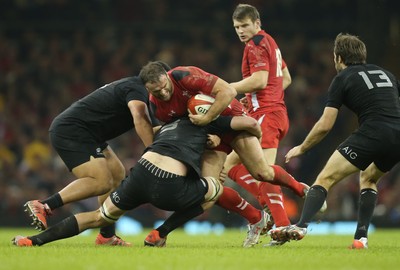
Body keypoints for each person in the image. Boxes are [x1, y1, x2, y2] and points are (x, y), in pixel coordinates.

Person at [12, 114, 262, 247]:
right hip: (170, 184)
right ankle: (161, 232)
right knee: (215, 189)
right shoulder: (211, 123)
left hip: (141, 173)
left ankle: (32, 241)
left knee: (100, 216)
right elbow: (249, 123)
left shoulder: (168, 123)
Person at [139, 61, 312, 247]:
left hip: (234, 121)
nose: (163, 93)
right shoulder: (157, 107)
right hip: (211, 135)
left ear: (167, 76)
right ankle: (256, 218)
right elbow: (183, 127)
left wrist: (208, 118)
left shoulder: (185, 75)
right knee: (210, 190)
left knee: (262, 173)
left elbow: (228, 92)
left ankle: (302, 190)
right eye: (156, 92)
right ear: (148, 89)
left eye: (164, 87)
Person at [269, 33, 400, 249]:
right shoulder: (385, 72)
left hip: (373, 131)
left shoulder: (343, 78)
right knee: (368, 178)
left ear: (338, 58)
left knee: (325, 178)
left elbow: (325, 124)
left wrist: (302, 147)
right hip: (397, 135)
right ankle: (360, 239)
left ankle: (300, 226)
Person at [23, 73, 159, 246]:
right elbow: (140, 118)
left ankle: (106, 236)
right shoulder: (137, 88)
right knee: (102, 182)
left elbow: (153, 127)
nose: (164, 91)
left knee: (117, 173)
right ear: (152, 81)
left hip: (89, 134)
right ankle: (44, 205)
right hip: (72, 130)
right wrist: (152, 154)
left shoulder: (139, 92)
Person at [222, 3, 293, 246]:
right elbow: (285, 78)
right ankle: (269, 208)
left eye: (245, 25)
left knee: (264, 172)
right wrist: (256, 98)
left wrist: (229, 88)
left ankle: (282, 224)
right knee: (230, 164)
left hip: (267, 115)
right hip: (270, 111)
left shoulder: (254, 45)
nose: (241, 31)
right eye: (237, 27)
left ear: (257, 24)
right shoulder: (270, 42)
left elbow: (261, 79)